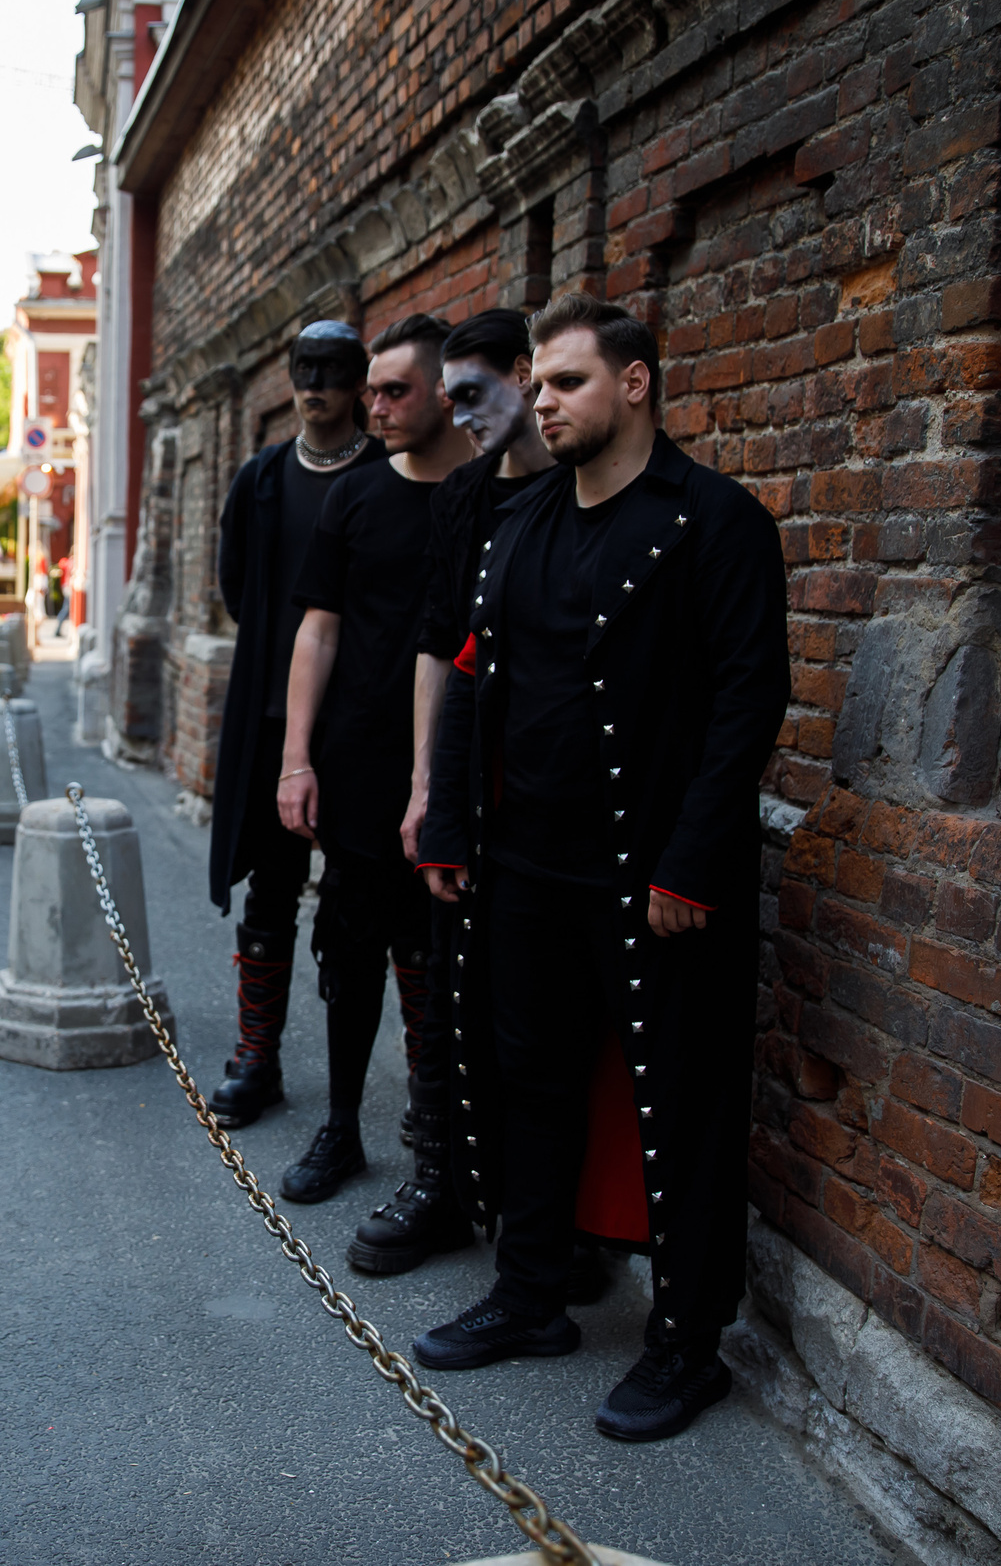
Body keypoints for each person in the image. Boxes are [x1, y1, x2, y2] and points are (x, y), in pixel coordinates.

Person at [411, 296, 787, 1448]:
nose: (544, 400)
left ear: (634, 383)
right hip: (524, 865)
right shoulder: (520, 522)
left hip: (653, 879)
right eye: (539, 380)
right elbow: (474, 672)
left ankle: (687, 1345)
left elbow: (746, 701)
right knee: (527, 1083)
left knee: (683, 1100)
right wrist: (447, 824)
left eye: (567, 381)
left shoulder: (712, 521)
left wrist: (693, 862)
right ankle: (531, 1297)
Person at [348, 307, 560, 1276]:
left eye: (473, 395)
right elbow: (439, 647)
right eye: (453, 397)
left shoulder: (582, 491)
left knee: (545, 1022)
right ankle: (439, 1179)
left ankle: (547, 1219)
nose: (460, 415)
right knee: (444, 983)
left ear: (525, 375)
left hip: (559, 789)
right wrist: (428, 788)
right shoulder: (465, 497)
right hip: (468, 782)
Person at [272, 314, 474, 1212]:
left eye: (395, 390)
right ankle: (342, 1125)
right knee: (348, 957)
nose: (373, 404)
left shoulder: (485, 495)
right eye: (372, 389)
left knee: (441, 959)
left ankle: (441, 1143)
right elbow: (316, 628)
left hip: (461, 766)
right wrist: (295, 759)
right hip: (356, 762)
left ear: (442, 392)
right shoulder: (353, 496)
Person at [202, 321, 386, 1128]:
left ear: (358, 382)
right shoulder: (264, 477)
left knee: (369, 906)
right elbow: (237, 586)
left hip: (366, 728)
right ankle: (257, 1057)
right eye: (304, 368)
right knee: (271, 890)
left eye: (334, 370)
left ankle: (383, 1102)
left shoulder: (388, 473)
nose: (316, 383)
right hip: (273, 723)